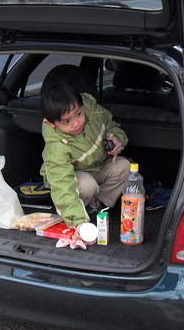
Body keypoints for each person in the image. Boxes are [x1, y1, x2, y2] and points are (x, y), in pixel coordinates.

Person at [40, 79, 130, 235]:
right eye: (67, 121)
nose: (76, 123)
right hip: (71, 177)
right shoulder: (56, 148)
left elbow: (111, 125)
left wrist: (116, 139)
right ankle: (78, 216)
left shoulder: (93, 111)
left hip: (97, 166)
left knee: (124, 166)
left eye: (78, 114)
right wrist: (78, 223)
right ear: (51, 124)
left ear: (82, 106)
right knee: (88, 185)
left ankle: (97, 205)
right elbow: (63, 184)